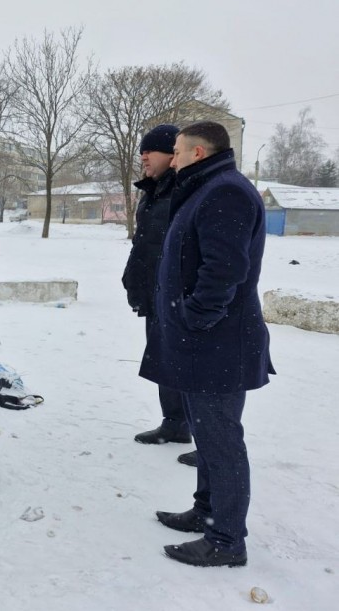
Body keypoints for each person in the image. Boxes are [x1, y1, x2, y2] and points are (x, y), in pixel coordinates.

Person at [145, 121, 275, 567]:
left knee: (220, 439)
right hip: (207, 340)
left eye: (177, 152)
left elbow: (224, 270)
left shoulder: (225, 192)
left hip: (219, 342)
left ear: (198, 153)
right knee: (206, 434)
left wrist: (194, 318)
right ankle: (205, 511)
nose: (173, 159)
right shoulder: (208, 187)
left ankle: (226, 540)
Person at [123, 124, 197, 466]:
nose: (143, 158)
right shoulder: (152, 191)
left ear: (173, 154)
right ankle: (175, 423)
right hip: (155, 292)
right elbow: (146, 244)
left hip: (180, 295)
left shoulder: (185, 190)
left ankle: (206, 436)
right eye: (141, 152)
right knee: (164, 360)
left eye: (149, 151)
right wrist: (133, 279)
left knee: (191, 366)